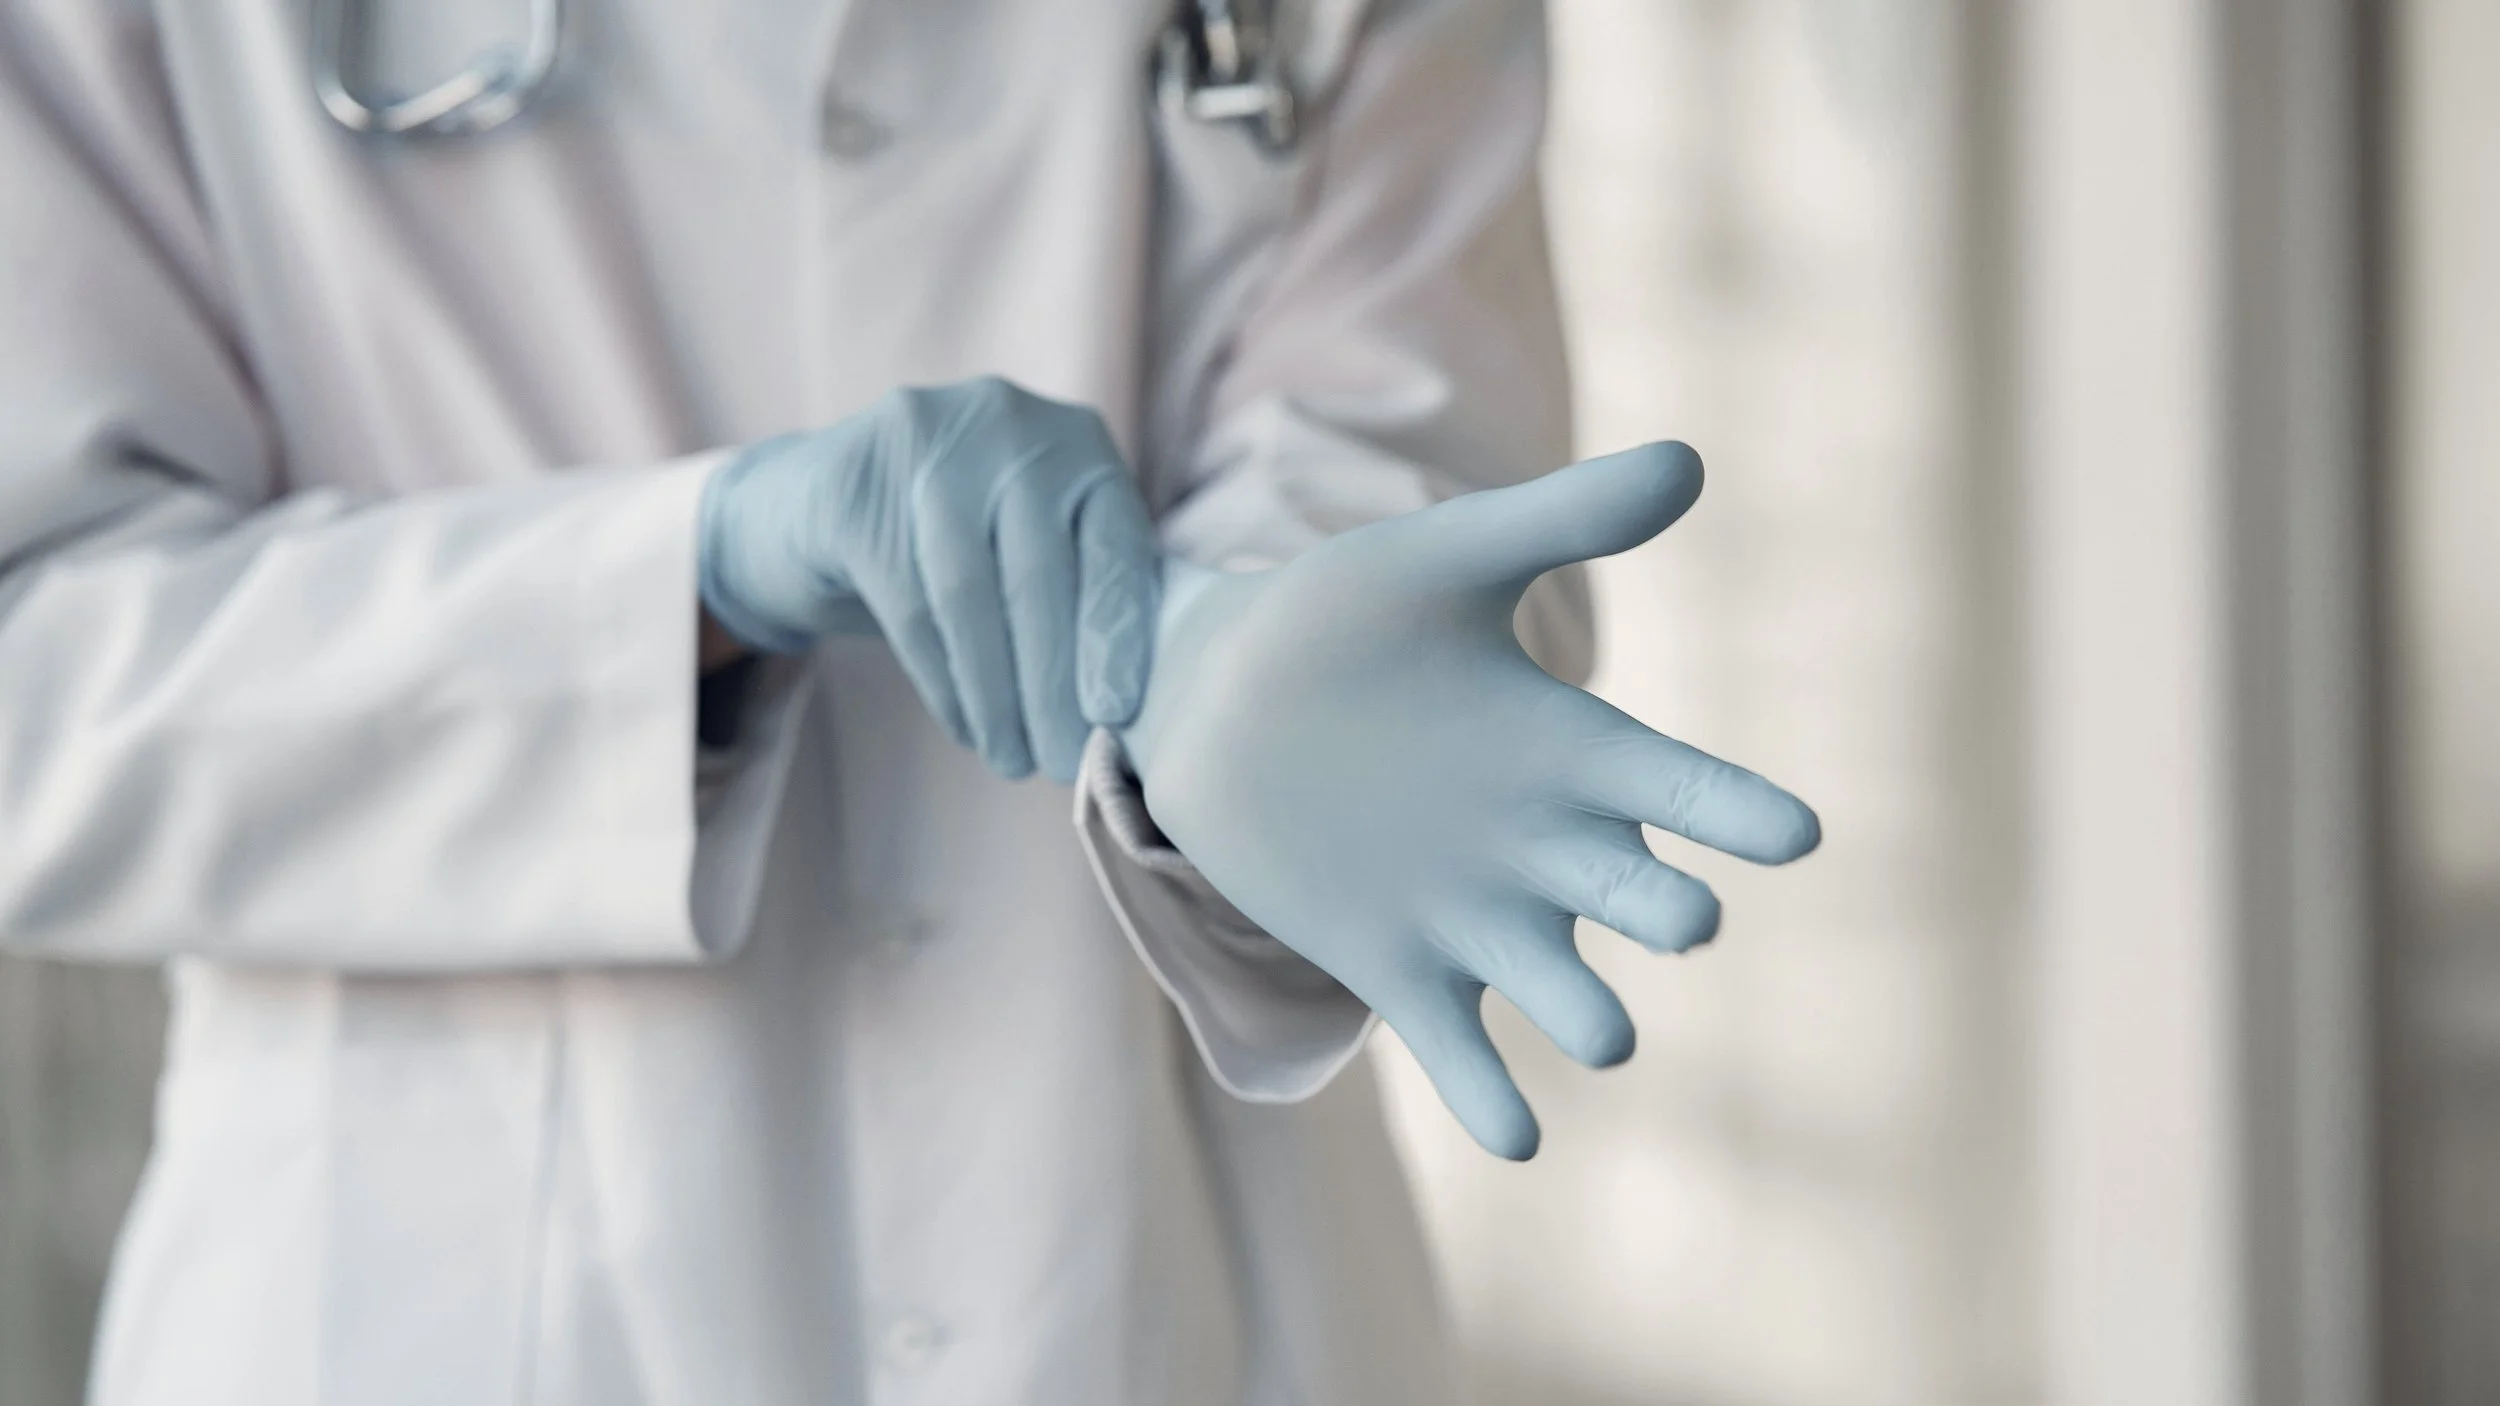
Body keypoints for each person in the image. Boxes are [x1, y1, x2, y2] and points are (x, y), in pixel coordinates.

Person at [0, 2, 1816, 1403]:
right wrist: (678, 576)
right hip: (431, 1291)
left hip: (1169, 1276)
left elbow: (1416, 458)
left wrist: (1269, 659)